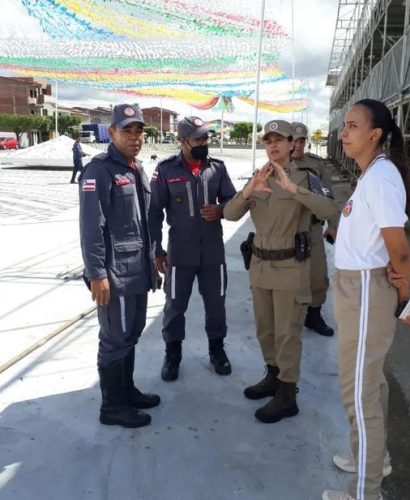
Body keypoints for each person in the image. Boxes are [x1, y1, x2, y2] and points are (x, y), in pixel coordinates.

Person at [322, 99, 410, 500]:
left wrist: (404, 293)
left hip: (364, 293)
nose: (343, 133)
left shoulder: (379, 179)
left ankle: (366, 491)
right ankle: (373, 460)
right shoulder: (374, 175)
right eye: (344, 125)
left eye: (352, 125)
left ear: (375, 134)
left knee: (358, 392)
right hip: (356, 289)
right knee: (371, 383)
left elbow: (399, 251)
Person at [224, 120, 336, 424]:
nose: (272, 146)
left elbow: (329, 210)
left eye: (279, 140)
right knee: (266, 331)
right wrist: (248, 190)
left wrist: (293, 190)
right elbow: (230, 214)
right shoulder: (259, 177)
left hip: (291, 268)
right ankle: (272, 377)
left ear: (292, 144)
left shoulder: (306, 178)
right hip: (260, 266)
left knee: (288, 334)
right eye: (268, 141)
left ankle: (288, 395)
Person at [79, 103, 160, 429]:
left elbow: (142, 222)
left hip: (138, 271)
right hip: (115, 275)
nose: (135, 136)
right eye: (127, 130)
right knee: (115, 338)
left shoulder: (135, 168)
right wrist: (97, 274)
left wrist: (156, 255)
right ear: (111, 132)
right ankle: (112, 407)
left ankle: (126, 391)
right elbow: (90, 228)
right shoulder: (99, 170)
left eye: (139, 130)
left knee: (132, 333)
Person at [149, 116, 237, 382]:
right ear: (183, 141)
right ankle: (173, 354)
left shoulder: (217, 169)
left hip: (213, 254)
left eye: (205, 138)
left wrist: (221, 210)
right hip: (180, 255)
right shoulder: (166, 170)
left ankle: (217, 350)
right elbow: (154, 213)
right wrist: (157, 250)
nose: (203, 143)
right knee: (174, 307)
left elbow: (232, 200)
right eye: (198, 139)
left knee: (216, 305)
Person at [291, 122, 337, 337]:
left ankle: (314, 315)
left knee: (317, 274)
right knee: (288, 274)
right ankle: (290, 315)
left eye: (302, 140)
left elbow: (329, 197)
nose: (298, 144)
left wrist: (333, 225)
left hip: (313, 227)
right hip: (287, 228)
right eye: (294, 139)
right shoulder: (277, 163)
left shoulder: (316, 165)